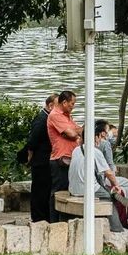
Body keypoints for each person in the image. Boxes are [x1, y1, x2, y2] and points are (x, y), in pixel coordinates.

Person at [68, 123, 125, 232]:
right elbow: (108, 173)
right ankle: (117, 229)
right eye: (100, 137)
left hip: (73, 189)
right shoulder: (95, 151)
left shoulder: (76, 150)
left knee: (106, 192)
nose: (101, 139)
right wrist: (117, 185)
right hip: (87, 189)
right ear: (95, 137)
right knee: (110, 197)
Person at [47, 89, 82, 222]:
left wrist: (75, 131)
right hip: (60, 159)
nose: (73, 106)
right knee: (58, 191)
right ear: (64, 102)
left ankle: (64, 219)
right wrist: (75, 131)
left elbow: (76, 131)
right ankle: (54, 221)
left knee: (67, 189)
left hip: (70, 158)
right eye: (72, 103)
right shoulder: (55, 115)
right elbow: (72, 134)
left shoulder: (67, 116)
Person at [25, 93, 57, 222]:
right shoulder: (42, 119)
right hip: (40, 160)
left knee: (44, 189)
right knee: (40, 190)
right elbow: (32, 141)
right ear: (50, 105)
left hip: (45, 159)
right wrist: (30, 157)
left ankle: (43, 216)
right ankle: (38, 217)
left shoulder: (48, 118)